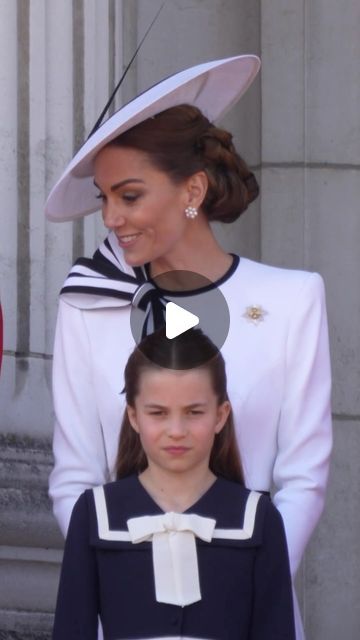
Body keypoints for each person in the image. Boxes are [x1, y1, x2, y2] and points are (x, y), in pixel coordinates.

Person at [46, 55, 332, 638]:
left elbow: (304, 478)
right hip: (123, 614)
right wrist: (129, 579)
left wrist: (243, 574)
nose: (111, 218)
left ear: (192, 189)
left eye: (128, 196)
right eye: (103, 198)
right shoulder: (86, 307)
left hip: (252, 611)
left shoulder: (293, 299)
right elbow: (73, 479)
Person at [52, 328, 296, 639]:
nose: (176, 430)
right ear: (134, 416)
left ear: (221, 415)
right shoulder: (95, 513)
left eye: (194, 412)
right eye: (158, 413)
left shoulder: (258, 518)